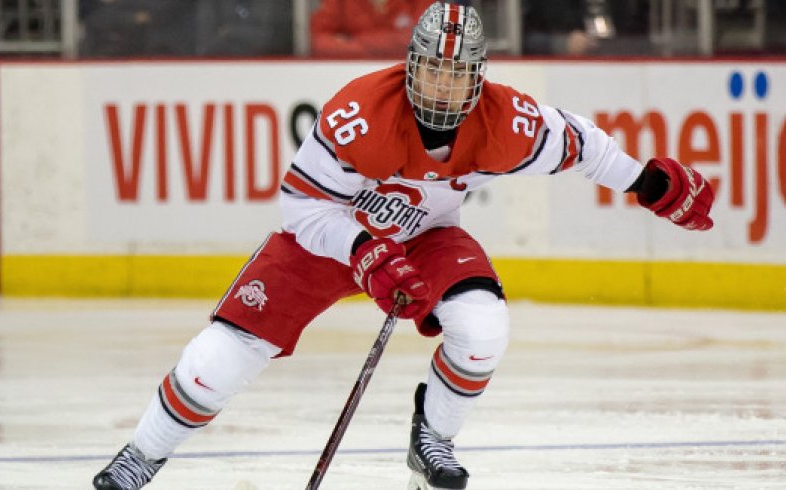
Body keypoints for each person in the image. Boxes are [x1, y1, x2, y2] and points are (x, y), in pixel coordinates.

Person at [92, 2, 714, 489]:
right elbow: (302, 205)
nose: (445, 87)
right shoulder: (359, 112)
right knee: (219, 358)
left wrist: (649, 182)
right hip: (328, 239)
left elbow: (583, 144)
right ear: (411, 64)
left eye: (459, 74)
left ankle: (432, 440)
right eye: (435, 70)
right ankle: (140, 457)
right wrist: (363, 249)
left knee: (484, 326)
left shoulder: (506, 122)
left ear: (479, 77)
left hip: (425, 238)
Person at [310, 0, 436, 58]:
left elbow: (425, 40)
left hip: (405, 74)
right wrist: (393, 42)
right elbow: (318, 42)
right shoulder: (340, 2)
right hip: (351, 73)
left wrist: (351, 42)